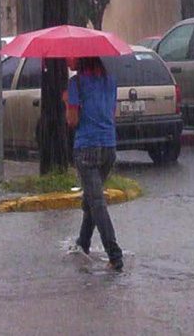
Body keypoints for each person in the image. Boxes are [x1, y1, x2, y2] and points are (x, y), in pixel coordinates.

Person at [63, 56, 123, 271]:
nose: (67, 59)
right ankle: (84, 242)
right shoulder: (110, 80)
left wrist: (67, 101)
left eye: (70, 56)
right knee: (91, 197)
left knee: (96, 202)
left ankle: (114, 255)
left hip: (86, 148)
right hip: (108, 147)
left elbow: (72, 121)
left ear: (81, 58)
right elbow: (112, 113)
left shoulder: (76, 83)